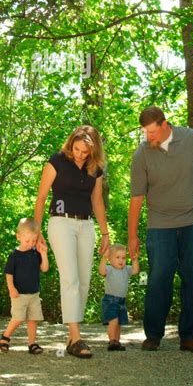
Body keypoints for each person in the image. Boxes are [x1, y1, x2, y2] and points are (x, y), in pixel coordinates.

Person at [128, 106, 193, 353]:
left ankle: (189, 335)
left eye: (152, 132)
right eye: (145, 132)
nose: (148, 138)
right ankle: (153, 334)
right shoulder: (141, 154)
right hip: (160, 224)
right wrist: (132, 235)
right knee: (159, 276)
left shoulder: (192, 139)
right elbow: (136, 197)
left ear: (165, 125)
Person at [34, 125, 109, 358]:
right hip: (60, 223)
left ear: (93, 151)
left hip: (86, 225)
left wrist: (105, 234)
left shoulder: (95, 168)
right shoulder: (57, 161)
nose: (79, 154)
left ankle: (71, 337)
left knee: (84, 281)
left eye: (85, 152)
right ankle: (76, 337)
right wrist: (37, 232)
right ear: (71, 144)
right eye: (77, 149)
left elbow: (97, 201)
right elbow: (42, 197)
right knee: (71, 278)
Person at [0, 218, 49, 354]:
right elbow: (8, 273)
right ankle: (5, 337)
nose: (31, 244)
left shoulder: (35, 253)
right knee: (18, 318)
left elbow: (44, 269)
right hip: (19, 294)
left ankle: (32, 344)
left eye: (33, 240)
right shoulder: (14, 256)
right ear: (18, 237)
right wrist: (11, 288)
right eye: (27, 241)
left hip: (34, 294)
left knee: (33, 319)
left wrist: (44, 254)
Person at [99, 243, 139, 351]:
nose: (121, 260)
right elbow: (101, 271)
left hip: (121, 301)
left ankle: (116, 341)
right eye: (117, 257)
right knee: (114, 321)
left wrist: (134, 259)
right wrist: (104, 258)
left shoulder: (126, 269)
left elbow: (135, 271)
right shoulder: (109, 269)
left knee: (119, 323)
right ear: (110, 259)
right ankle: (112, 341)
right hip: (110, 300)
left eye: (123, 258)